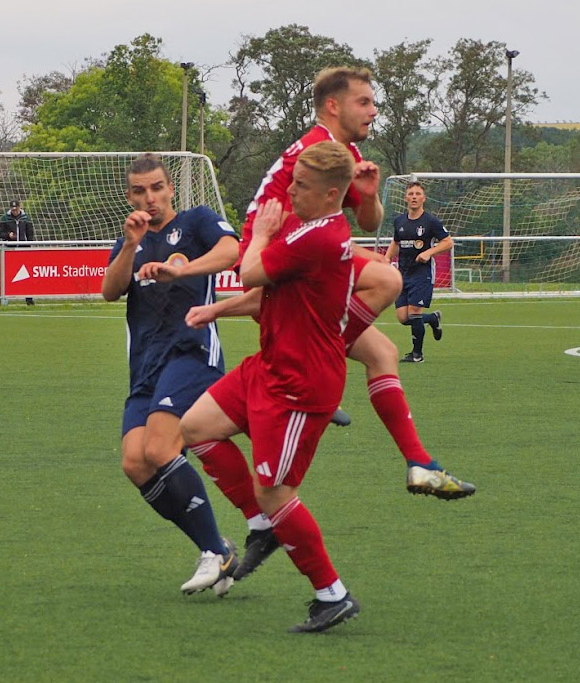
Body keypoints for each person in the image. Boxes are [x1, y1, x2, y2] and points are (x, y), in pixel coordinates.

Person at [189, 66, 474, 586]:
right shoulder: (316, 154)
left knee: (383, 353)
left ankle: (419, 463)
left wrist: (368, 193)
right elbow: (289, 235)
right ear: (333, 106)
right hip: (277, 253)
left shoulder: (344, 154)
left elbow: (367, 222)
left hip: (300, 257)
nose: (374, 110)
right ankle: (301, 548)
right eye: (365, 101)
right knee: (387, 280)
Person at [182, 142, 360, 633]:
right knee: (196, 428)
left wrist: (259, 234)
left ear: (330, 195)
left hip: (301, 384)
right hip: (269, 365)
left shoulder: (321, 237)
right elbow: (268, 293)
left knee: (276, 493)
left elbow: (250, 271)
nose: (291, 191)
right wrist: (216, 310)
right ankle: (263, 526)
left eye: (301, 185)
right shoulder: (307, 227)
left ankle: (332, 594)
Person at [101, 153, 241, 597]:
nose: (150, 198)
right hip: (145, 364)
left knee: (160, 448)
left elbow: (231, 251)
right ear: (130, 196)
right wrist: (129, 245)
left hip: (191, 351)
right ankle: (217, 547)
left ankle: (214, 552)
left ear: (170, 189)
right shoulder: (132, 240)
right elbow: (110, 291)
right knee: (135, 462)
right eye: (140, 191)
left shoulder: (197, 221)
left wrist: (182, 269)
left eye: (157, 188)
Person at [384, 181, 453, 363]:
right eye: (411, 194)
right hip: (403, 273)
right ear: (405, 198)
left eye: (417, 194)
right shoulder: (399, 221)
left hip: (422, 273)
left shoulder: (431, 222)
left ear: (424, 198)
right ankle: (432, 319)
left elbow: (448, 242)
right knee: (403, 317)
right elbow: (396, 242)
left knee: (414, 312)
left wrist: (429, 252)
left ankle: (417, 354)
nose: (414, 197)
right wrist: (386, 259)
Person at [0, 200, 36, 305]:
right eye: (13, 209)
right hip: (10, 250)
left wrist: (29, 246)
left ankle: (29, 299)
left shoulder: (26, 218)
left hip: (24, 250)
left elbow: (30, 233)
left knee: (27, 274)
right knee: (8, 274)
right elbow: (0, 233)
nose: (15, 211)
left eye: (16, 209)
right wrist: (8, 235)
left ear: (20, 207)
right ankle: (5, 298)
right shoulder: (5, 219)